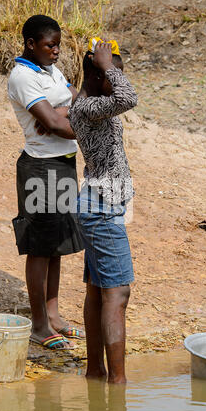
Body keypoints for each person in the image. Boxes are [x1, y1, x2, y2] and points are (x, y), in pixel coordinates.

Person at [7, 15, 85, 350]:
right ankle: (39, 325)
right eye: (50, 45)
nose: (56, 51)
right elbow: (55, 122)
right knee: (40, 246)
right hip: (40, 168)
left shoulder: (50, 71)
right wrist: (60, 118)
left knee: (58, 245)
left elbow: (79, 101)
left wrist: (62, 115)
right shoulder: (22, 76)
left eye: (58, 45)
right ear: (30, 44)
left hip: (64, 163)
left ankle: (53, 316)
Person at [69, 38, 138, 383]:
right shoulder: (89, 107)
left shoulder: (87, 104)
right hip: (102, 209)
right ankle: (118, 383)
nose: (117, 84)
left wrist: (107, 67)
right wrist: (106, 64)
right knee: (117, 293)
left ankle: (96, 371)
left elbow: (121, 97)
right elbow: (129, 98)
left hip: (97, 204)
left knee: (98, 290)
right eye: (112, 77)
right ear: (97, 79)